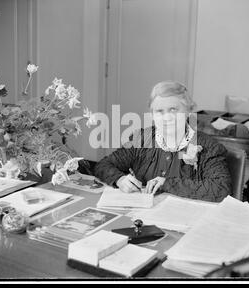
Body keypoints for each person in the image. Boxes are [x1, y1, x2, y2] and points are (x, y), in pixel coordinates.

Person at [94, 81, 232, 202]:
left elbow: (221, 189)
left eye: (173, 109)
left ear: (188, 111)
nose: (167, 117)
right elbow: (103, 165)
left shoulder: (209, 147)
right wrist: (120, 179)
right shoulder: (142, 139)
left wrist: (167, 184)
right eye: (159, 111)